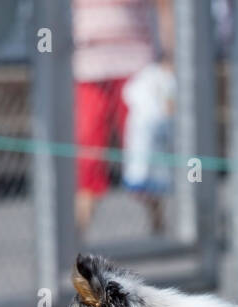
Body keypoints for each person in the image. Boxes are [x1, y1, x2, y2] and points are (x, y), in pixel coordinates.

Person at [71, 0, 173, 235]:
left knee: (143, 153)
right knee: (88, 153)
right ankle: (77, 236)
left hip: (135, 67)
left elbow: (164, 8)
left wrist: (168, 57)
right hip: (88, 67)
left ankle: (159, 227)